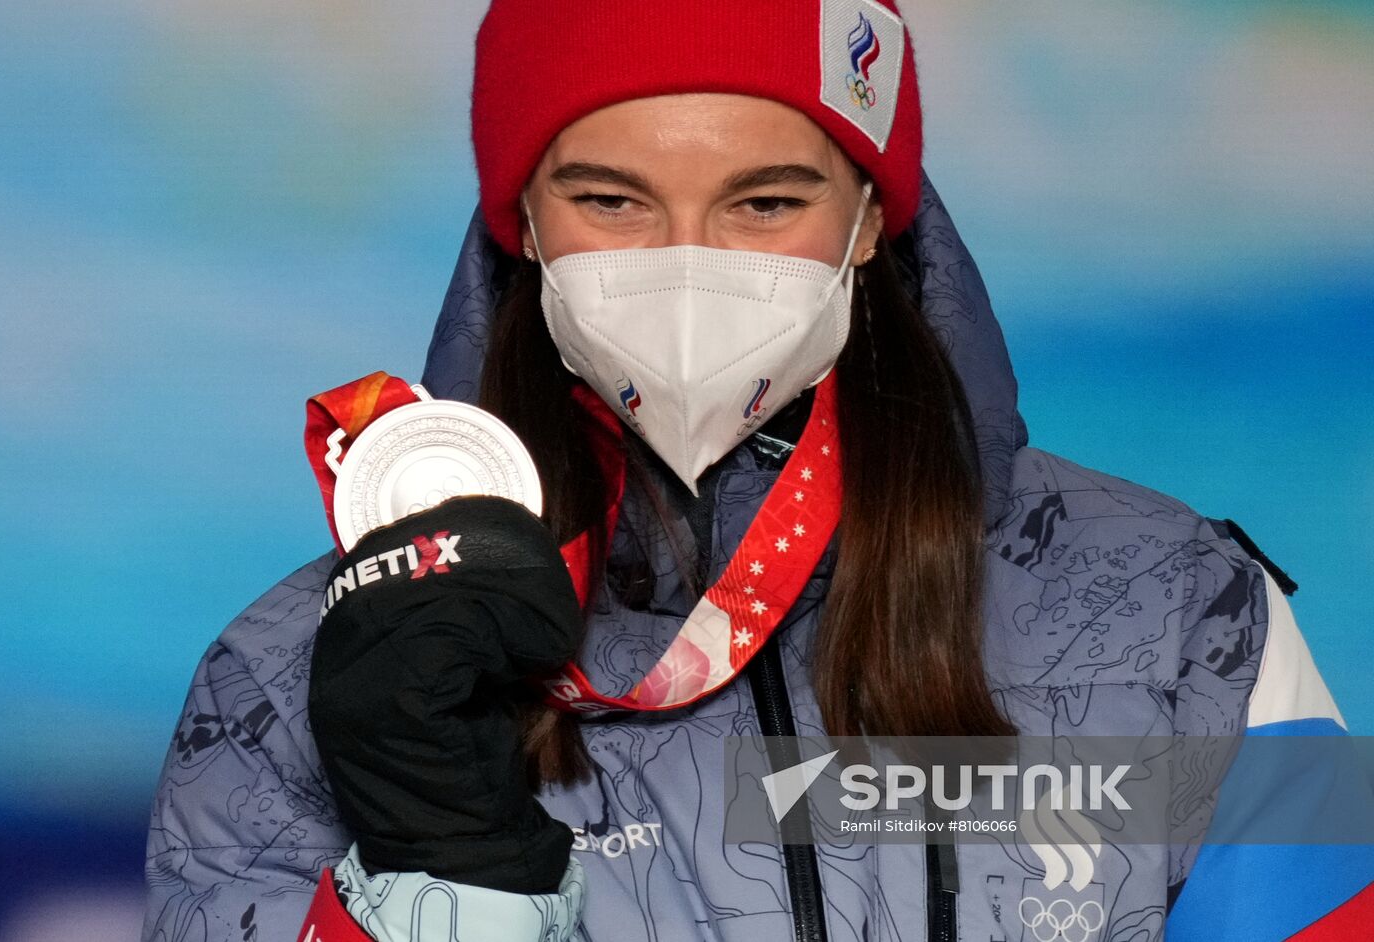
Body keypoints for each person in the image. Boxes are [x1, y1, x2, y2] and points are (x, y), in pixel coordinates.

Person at [141, 2, 1374, 941]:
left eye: (765, 201)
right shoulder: (310, 668)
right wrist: (431, 884)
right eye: (611, 200)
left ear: (869, 221)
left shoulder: (1173, 610)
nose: (688, 266)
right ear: (520, 222)